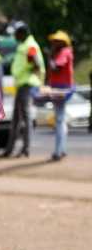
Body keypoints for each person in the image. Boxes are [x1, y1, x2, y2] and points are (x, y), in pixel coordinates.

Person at [0, 22, 44, 159]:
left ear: (23, 33)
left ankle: (25, 149)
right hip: (22, 84)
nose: (15, 36)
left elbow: (36, 65)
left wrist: (29, 72)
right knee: (17, 119)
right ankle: (10, 149)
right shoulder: (24, 45)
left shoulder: (30, 46)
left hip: (27, 84)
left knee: (24, 117)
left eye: (17, 33)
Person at [46, 30, 75, 162]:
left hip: (61, 89)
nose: (54, 43)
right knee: (61, 119)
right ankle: (61, 149)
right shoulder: (61, 52)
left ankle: (58, 152)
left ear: (63, 42)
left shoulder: (64, 52)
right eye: (54, 41)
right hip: (58, 88)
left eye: (57, 41)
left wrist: (49, 57)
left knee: (59, 120)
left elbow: (56, 67)